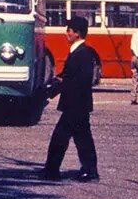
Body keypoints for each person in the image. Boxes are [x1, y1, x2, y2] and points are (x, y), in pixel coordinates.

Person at [40, 15, 99, 182]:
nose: (66, 34)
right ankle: (88, 170)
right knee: (81, 138)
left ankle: (52, 170)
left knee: (62, 137)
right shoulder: (77, 52)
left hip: (76, 104)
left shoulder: (84, 53)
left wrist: (61, 83)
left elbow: (82, 79)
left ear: (77, 34)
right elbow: (68, 76)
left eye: (69, 31)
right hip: (75, 104)